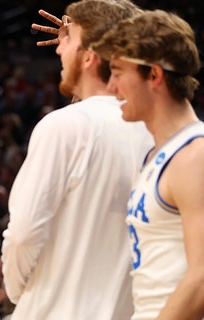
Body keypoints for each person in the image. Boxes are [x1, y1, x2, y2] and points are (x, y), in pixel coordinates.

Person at [0, 1, 153, 319]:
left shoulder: (65, 125)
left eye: (67, 41)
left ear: (89, 57)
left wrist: (18, 293)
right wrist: (82, 33)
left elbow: (24, 233)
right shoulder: (159, 129)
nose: (57, 50)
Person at [91, 10, 204, 319]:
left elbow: (202, 278)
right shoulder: (159, 153)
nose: (112, 87)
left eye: (117, 72)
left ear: (154, 75)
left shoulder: (195, 156)